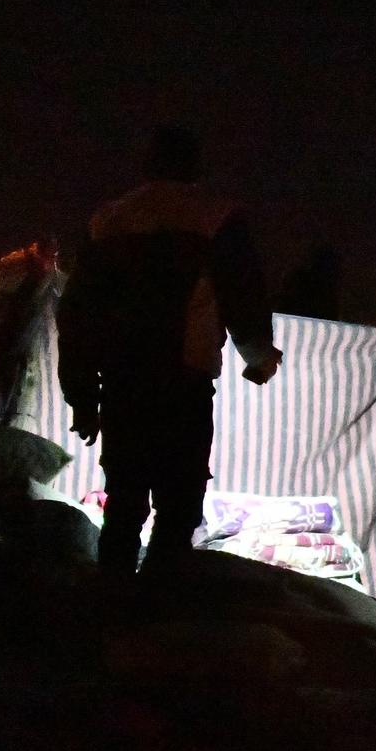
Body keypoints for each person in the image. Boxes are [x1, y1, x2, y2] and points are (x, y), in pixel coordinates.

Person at [56, 126, 281, 578]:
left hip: (121, 384)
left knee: (123, 505)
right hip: (184, 385)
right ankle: (159, 613)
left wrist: (82, 396)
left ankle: (112, 614)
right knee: (178, 508)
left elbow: (77, 316)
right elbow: (243, 298)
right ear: (195, 168)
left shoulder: (107, 221)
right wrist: (258, 358)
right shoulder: (216, 218)